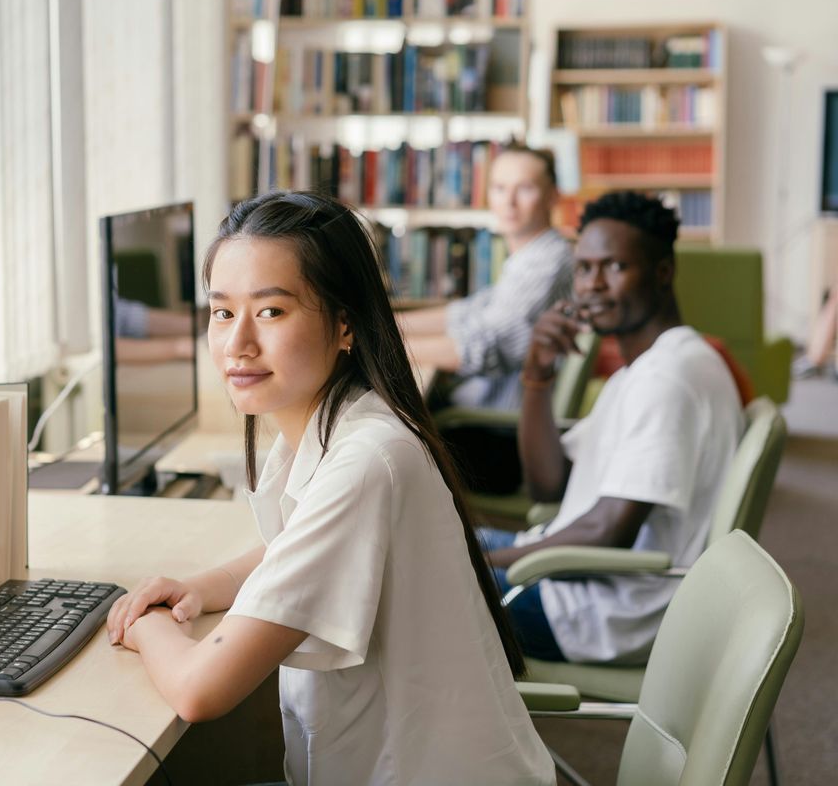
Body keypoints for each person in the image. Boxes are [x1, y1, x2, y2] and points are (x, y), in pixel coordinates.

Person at [106, 191, 554, 785]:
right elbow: (300, 548)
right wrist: (199, 588)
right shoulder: (337, 426)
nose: (237, 343)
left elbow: (198, 691)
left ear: (345, 325)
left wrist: (142, 622)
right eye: (221, 312)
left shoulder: (368, 459)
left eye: (270, 312)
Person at [478, 191, 745, 665]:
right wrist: (537, 377)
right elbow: (548, 485)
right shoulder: (641, 369)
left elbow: (609, 531)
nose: (591, 286)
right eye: (583, 268)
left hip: (604, 610)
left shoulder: (667, 378)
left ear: (663, 273)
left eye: (614, 267)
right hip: (579, 580)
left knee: (410, 581)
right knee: (421, 543)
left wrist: (481, 566)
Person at [397, 141, 573, 411]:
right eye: (499, 188)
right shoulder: (529, 256)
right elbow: (468, 313)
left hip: (499, 423)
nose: (509, 202)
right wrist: (385, 324)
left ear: (552, 197)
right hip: (484, 405)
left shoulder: (547, 262)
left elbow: (484, 346)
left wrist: (377, 348)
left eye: (525, 188)